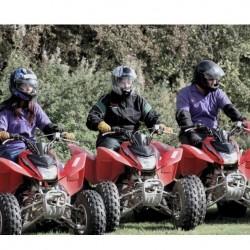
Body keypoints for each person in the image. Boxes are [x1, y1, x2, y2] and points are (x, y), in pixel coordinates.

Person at [0, 67, 75, 162]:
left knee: (55, 163)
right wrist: (2, 133)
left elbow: (47, 126)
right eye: (24, 86)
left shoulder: (34, 107)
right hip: (11, 149)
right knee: (13, 164)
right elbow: (1, 127)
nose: (28, 89)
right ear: (16, 86)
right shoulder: (5, 108)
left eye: (30, 86)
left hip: (33, 149)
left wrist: (62, 134)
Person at [86, 65, 165, 151]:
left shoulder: (139, 100)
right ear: (115, 82)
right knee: (108, 152)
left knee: (150, 153)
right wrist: (100, 124)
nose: (126, 85)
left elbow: (152, 117)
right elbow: (92, 116)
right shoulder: (107, 99)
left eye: (129, 82)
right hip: (111, 138)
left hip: (134, 140)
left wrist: (158, 127)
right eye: (122, 82)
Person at [175, 59, 250, 147]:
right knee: (196, 154)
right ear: (201, 78)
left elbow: (229, 108)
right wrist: (190, 132)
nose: (214, 82)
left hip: (212, 133)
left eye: (215, 79)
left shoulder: (217, 93)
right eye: (211, 79)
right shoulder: (185, 93)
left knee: (232, 149)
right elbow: (183, 116)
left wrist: (243, 121)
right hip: (191, 133)